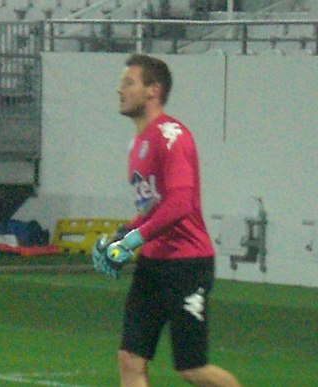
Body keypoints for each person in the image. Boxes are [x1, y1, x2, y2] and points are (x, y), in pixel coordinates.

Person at [92, 54, 241, 387]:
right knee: (130, 359)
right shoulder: (138, 142)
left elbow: (180, 204)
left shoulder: (171, 135)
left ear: (152, 91)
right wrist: (123, 235)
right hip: (153, 265)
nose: (119, 90)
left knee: (192, 368)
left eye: (129, 83)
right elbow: (154, 208)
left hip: (187, 265)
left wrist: (130, 242)